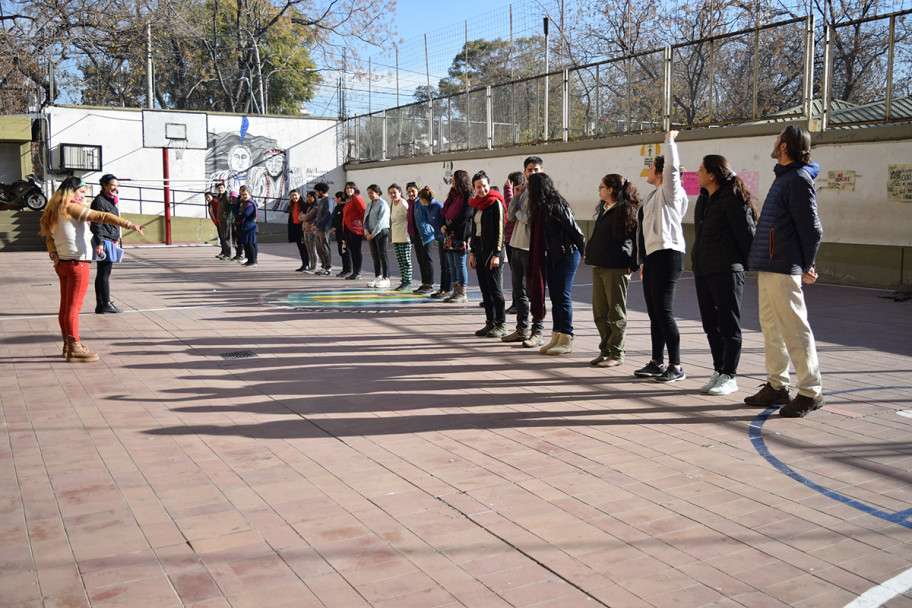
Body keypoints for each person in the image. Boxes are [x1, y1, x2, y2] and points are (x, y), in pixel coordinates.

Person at [744, 125, 825, 418]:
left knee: (794, 329)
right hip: (770, 265)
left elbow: (813, 229)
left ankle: (810, 392)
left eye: (777, 138)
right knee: (772, 329)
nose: (774, 141)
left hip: (783, 265)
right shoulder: (785, 177)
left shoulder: (798, 180)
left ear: (786, 147)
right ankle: (778, 386)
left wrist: (806, 264)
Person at [39, 176, 144, 362]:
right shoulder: (70, 208)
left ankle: (68, 345)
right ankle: (74, 346)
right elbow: (100, 216)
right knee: (73, 308)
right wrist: (128, 224)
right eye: (80, 192)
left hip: (63, 263)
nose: (83, 197)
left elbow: (49, 236)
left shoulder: (54, 209)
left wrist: (52, 253)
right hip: (77, 263)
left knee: (65, 307)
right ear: (71, 192)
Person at [692, 155, 758, 396]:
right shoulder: (702, 199)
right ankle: (719, 370)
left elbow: (748, 235)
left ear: (712, 174)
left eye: (700, 170)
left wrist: (743, 266)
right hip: (703, 269)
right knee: (711, 325)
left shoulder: (733, 198)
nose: (697, 173)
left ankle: (730, 375)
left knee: (729, 326)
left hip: (727, 271)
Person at [635, 130, 689, 382]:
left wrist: (669, 141)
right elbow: (644, 231)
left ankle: (676, 366)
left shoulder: (671, 192)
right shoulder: (653, 196)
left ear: (661, 172)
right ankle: (657, 361)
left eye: (651, 168)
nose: (647, 171)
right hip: (654, 257)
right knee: (654, 313)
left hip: (669, 255)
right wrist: (643, 261)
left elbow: (672, 169)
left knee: (664, 312)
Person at [585, 174, 640, 368]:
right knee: (599, 312)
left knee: (615, 312)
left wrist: (634, 264)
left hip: (616, 267)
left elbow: (635, 239)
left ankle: (617, 353)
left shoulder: (626, 209)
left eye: (601, 186)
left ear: (610, 189)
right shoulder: (604, 207)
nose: (598, 190)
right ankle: (605, 350)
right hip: (599, 265)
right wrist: (589, 252)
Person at [527, 173, 585, 355]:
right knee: (555, 296)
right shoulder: (540, 207)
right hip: (553, 256)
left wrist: (584, 252)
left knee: (563, 296)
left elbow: (576, 231)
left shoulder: (556, 205)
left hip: (567, 255)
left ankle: (567, 336)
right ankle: (557, 335)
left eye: (530, 186)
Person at [504, 157, 546, 347]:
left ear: (542, 171)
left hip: (533, 249)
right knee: (518, 291)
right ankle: (522, 328)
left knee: (534, 292)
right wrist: (515, 197)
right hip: (516, 246)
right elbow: (511, 215)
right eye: (529, 170)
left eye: (536, 169)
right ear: (525, 172)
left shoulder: (544, 192)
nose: (533, 173)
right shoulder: (523, 192)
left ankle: (538, 331)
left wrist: (521, 213)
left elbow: (532, 218)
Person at [468, 171, 507, 334]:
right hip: (479, 251)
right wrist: (472, 253)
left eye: (484, 186)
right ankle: (490, 322)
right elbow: (474, 229)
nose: (482, 189)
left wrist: (497, 254)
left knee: (495, 290)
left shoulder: (495, 202)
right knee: (485, 289)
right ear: (474, 188)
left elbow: (500, 231)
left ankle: (501, 324)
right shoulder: (476, 205)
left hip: (493, 252)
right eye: (478, 187)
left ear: (488, 185)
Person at [90, 174, 126, 314]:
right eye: (112, 185)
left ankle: (101, 304)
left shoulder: (110, 201)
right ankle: (105, 302)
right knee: (104, 273)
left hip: (109, 239)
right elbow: (96, 223)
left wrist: (115, 239)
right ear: (104, 185)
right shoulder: (100, 201)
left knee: (103, 273)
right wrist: (100, 242)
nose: (115, 188)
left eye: (117, 185)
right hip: (104, 240)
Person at [440, 170, 473, 300]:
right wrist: (443, 224)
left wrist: (450, 228)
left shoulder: (468, 196)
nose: (452, 181)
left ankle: (462, 292)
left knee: (459, 264)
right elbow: (444, 211)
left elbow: (465, 216)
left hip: (459, 234)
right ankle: (455, 291)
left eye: (454, 179)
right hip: (448, 235)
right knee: (451, 264)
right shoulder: (452, 195)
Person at [407, 182, 434, 294]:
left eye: (413, 191)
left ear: (418, 191)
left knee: (427, 259)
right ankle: (424, 283)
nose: (411, 193)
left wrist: (429, 229)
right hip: (416, 235)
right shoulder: (410, 203)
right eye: (409, 191)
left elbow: (430, 217)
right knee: (420, 260)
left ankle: (430, 284)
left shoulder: (421, 202)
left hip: (426, 235)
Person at [364, 184, 391, 289]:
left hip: (380, 232)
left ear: (378, 192)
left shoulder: (382, 204)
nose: (370, 195)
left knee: (382, 254)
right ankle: (377, 276)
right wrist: (367, 232)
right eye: (368, 193)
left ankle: (386, 278)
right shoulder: (369, 204)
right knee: (375, 255)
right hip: (370, 233)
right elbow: (365, 218)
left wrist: (373, 233)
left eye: (372, 193)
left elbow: (381, 221)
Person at [388, 184, 413, 290]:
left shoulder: (403, 203)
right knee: (400, 260)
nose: (393, 195)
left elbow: (409, 218)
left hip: (404, 237)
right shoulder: (393, 203)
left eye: (395, 192)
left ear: (400, 192)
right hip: (396, 236)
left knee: (406, 260)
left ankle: (407, 281)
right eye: (390, 193)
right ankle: (403, 280)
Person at [342, 182, 366, 280]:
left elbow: (364, 212)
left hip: (355, 230)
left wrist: (361, 226)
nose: (349, 190)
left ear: (355, 189)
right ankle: (354, 272)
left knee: (356, 251)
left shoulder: (357, 199)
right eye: (347, 188)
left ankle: (358, 272)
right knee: (352, 250)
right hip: (348, 229)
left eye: (351, 188)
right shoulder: (349, 200)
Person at [313, 183, 335, 275]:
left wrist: (318, 225)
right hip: (319, 229)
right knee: (319, 249)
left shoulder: (329, 201)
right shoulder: (321, 201)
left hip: (325, 229)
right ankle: (323, 267)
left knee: (325, 248)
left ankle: (328, 268)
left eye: (316, 192)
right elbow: (319, 215)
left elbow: (328, 215)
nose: (316, 194)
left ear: (321, 191)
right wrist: (315, 224)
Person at [287, 189, 309, 271]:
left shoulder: (303, 205)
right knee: (300, 247)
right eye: (292, 195)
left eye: (295, 195)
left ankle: (307, 264)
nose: (294, 197)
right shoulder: (291, 205)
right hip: (295, 228)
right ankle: (304, 264)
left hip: (302, 228)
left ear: (299, 195)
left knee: (304, 247)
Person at [331, 191, 352, 277]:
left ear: (339, 198)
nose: (335, 200)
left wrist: (337, 227)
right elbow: (335, 220)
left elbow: (344, 221)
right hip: (338, 234)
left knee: (345, 251)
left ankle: (348, 269)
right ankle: (344, 269)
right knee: (341, 252)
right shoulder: (337, 208)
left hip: (345, 233)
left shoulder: (345, 207)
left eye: (335, 198)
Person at [236, 185, 258, 266]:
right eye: (242, 195)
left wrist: (238, 216)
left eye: (246, 194)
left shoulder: (250, 204)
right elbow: (235, 209)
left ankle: (253, 260)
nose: (244, 196)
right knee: (246, 244)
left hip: (250, 227)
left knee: (250, 244)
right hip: (245, 227)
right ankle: (249, 260)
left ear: (250, 194)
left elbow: (246, 214)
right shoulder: (244, 203)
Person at [300, 191, 319, 272]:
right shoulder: (306, 207)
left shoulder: (315, 208)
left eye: (310, 197)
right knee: (308, 249)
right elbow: (299, 216)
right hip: (305, 230)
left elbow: (307, 217)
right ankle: (311, 265)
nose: (308, 198)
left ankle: (314, 266)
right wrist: (303, 217)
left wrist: (303, 216)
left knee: (312, 249)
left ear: (314, 198)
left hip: (311, 231)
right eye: (307, 197)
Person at [214, 183, 233, 260]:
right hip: (221, 220)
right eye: (219, 188)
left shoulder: (227, 197)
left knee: (227, 237)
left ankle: (228, 255)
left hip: (226, 221)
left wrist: (229, 218)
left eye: (221, 188)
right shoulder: (219, 197)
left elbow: (231, 207)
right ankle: (225, 253)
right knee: (223, 237)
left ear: (224, 189)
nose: (220, 189)